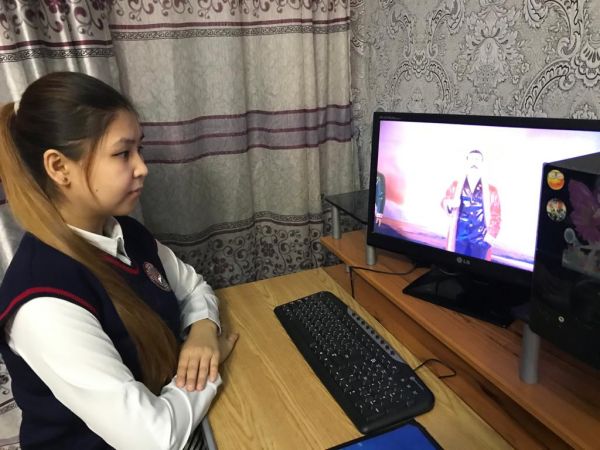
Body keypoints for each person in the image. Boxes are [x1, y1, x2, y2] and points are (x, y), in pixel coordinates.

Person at [0, 72, 238, 449]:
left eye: (139, 150)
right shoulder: (43, 301)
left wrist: (204, 332)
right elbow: (152, 438)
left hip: (179, 413)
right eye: (123, 153)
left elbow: (193, 286)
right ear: (59, 167)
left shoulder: (123, 232)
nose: (142, 167)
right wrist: (210, 369)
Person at [441, 150, 501, 261]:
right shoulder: (455, 186)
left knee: (478, 268)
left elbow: (496, 216)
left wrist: (488, 240)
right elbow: (445, 201)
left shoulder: (491, 190)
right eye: (472, 159)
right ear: (467, 162)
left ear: (482, 164)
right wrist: (450, 203)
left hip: (480, 240)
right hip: (459, 237)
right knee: (454, 264)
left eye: (477, 159)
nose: (474, 162)